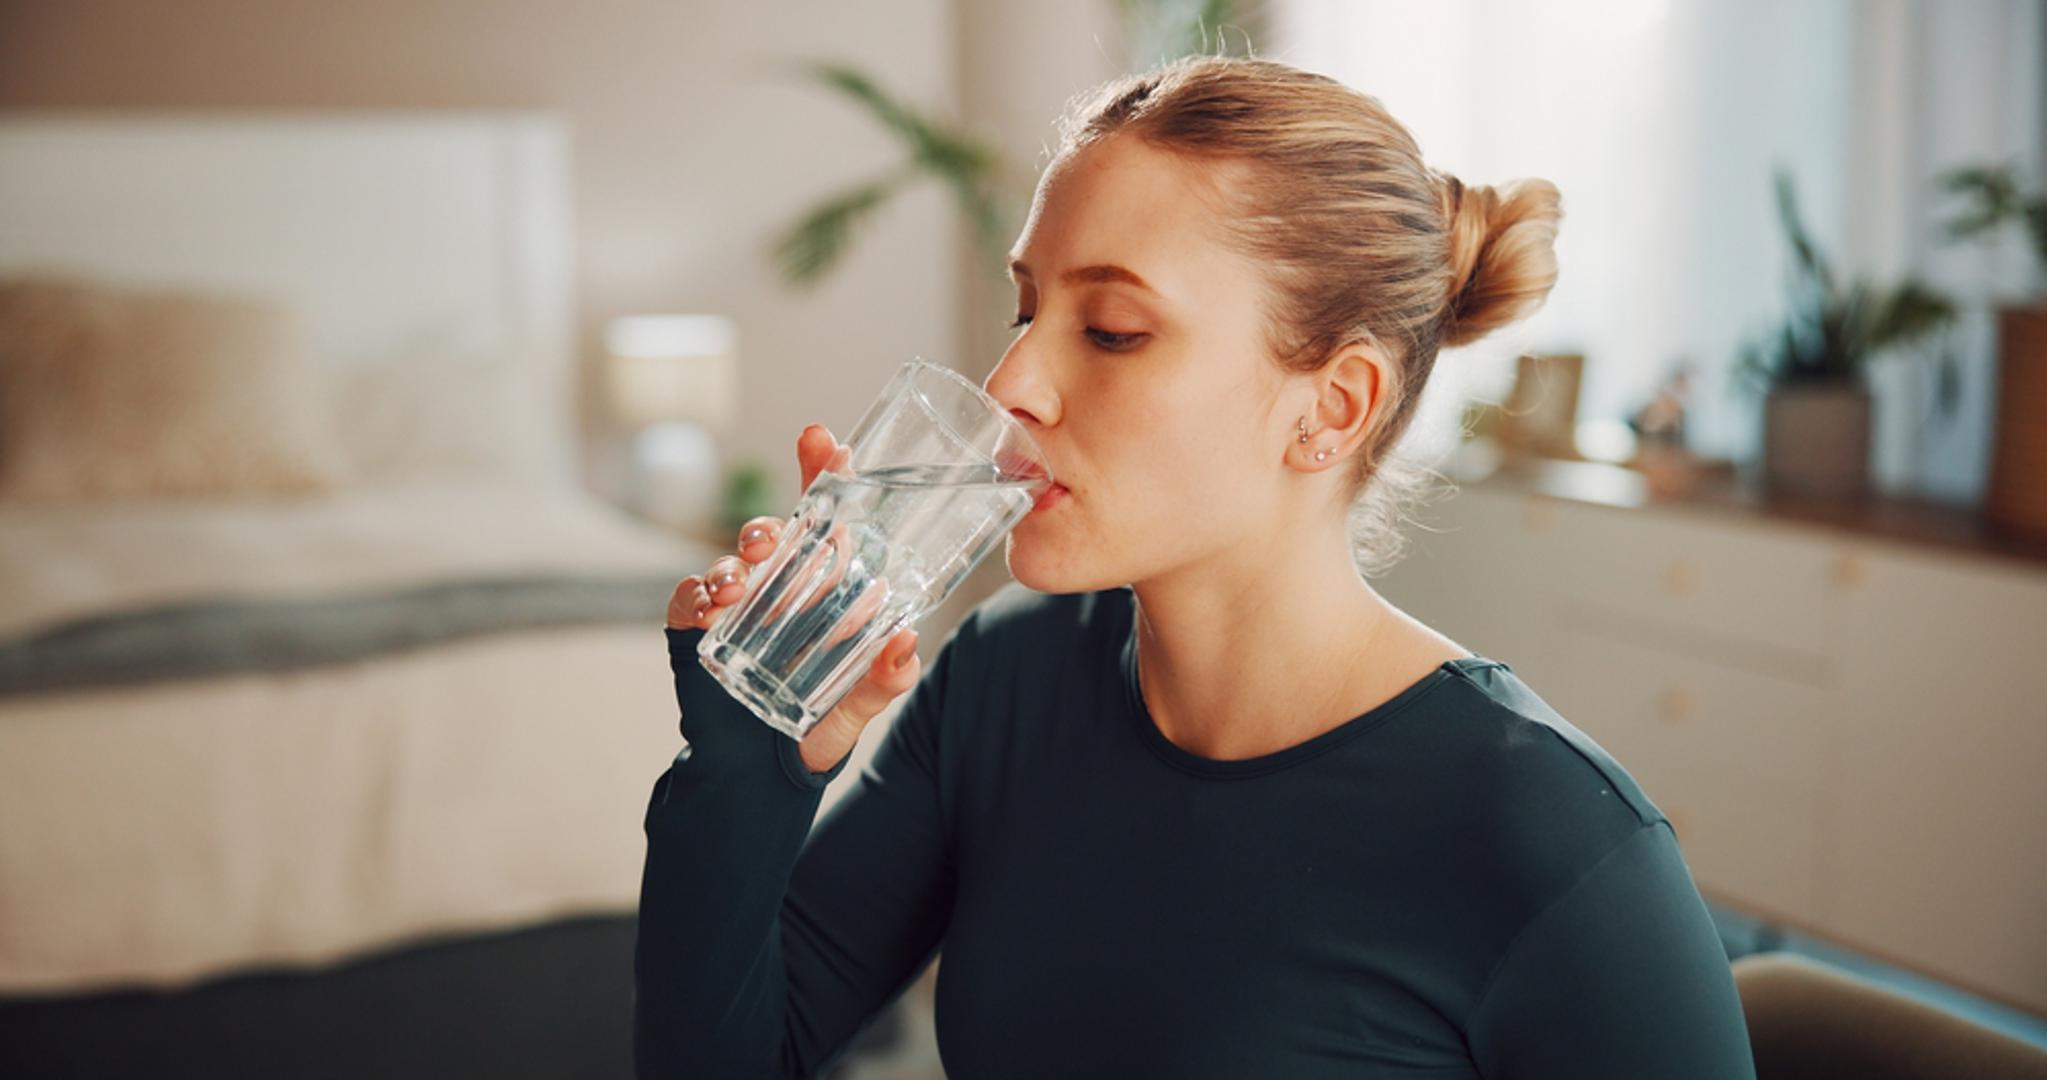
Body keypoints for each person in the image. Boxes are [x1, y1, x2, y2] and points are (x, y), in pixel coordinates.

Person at [638, 54, 1757, 1079]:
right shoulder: (1001, 685)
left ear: (1334, 405)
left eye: (1113, 329)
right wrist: (745, 764)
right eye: (1027, 308)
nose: (1011, 382)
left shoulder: (1554, 844)